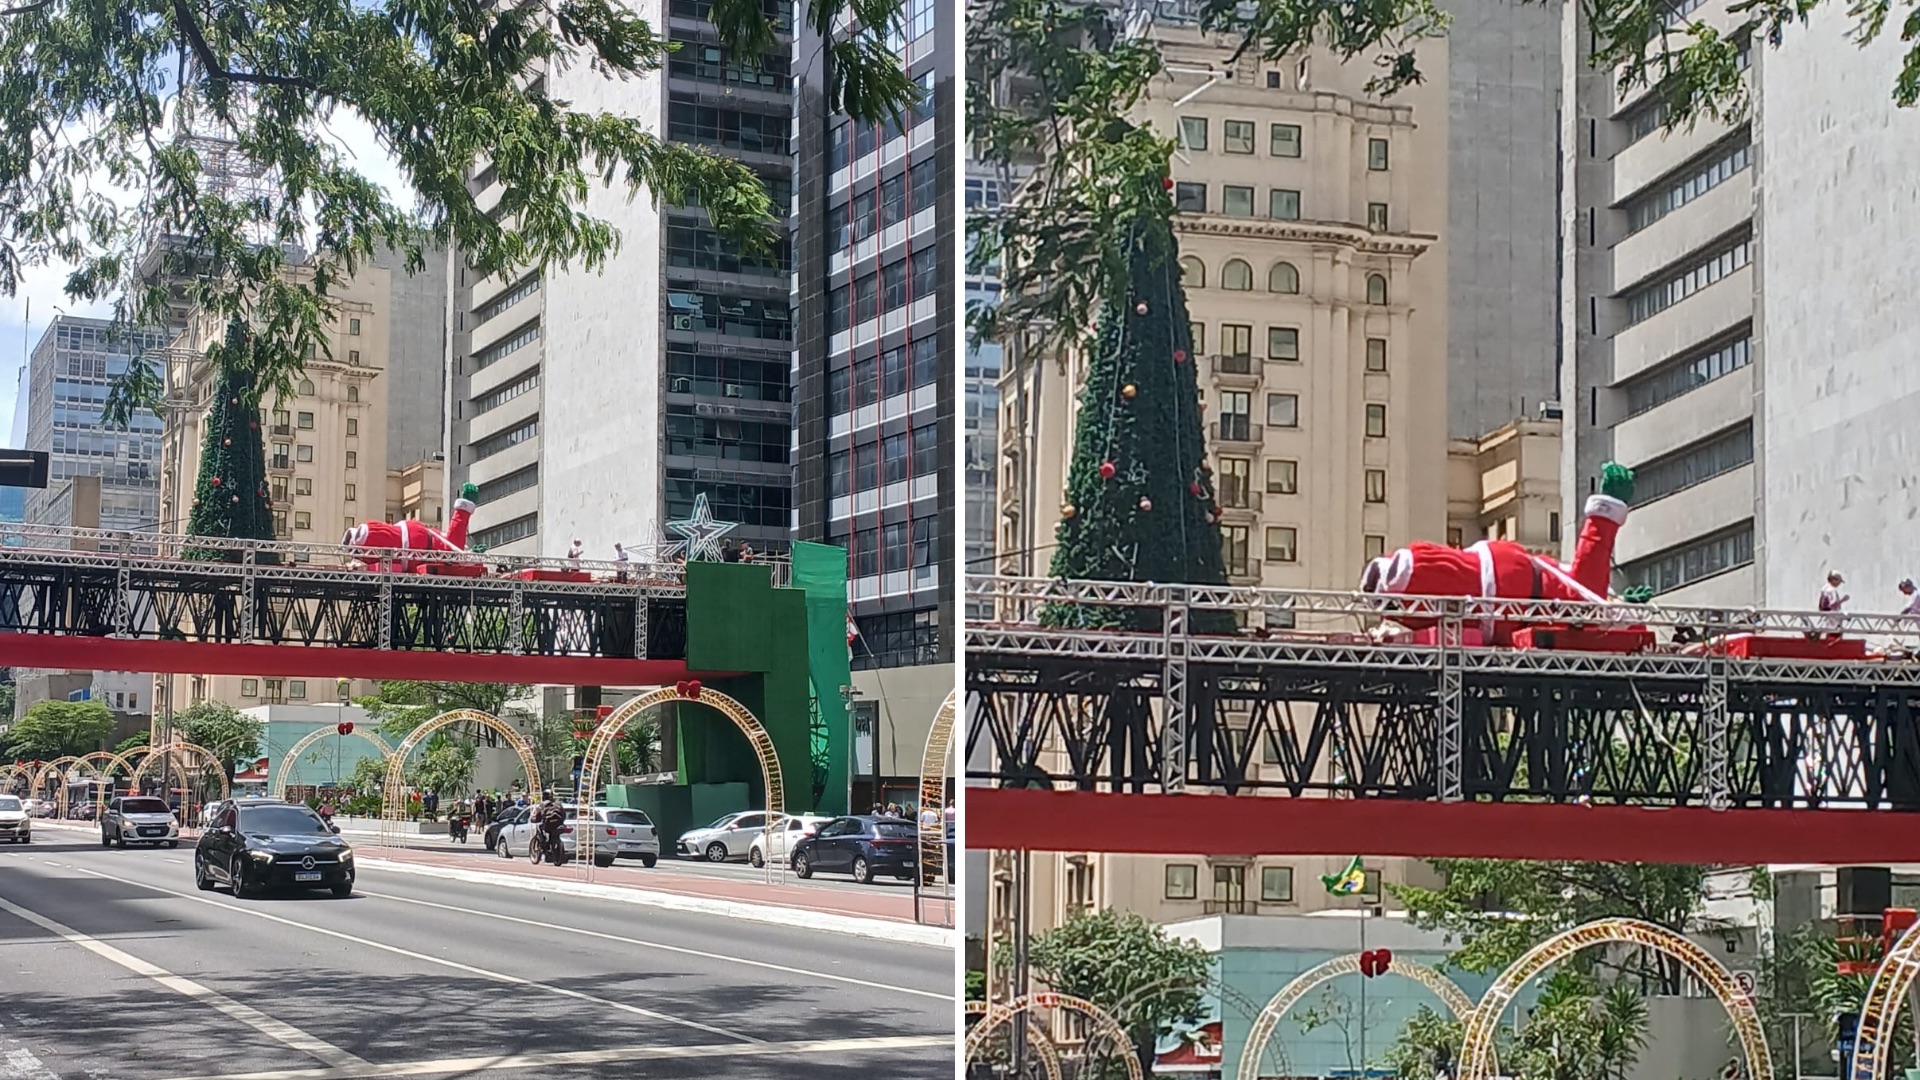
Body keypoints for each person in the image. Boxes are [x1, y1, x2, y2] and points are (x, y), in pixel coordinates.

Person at [1819, 570, 1849, 638]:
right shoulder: (1831, 590)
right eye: (1839, 581)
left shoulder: (1824, 588)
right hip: (1833, 619)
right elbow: (1832, 605)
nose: (1839, 584)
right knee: (1834, 636)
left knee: (1829, 635)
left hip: (1827, 618)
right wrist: (1843, 599)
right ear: (1834, 579)